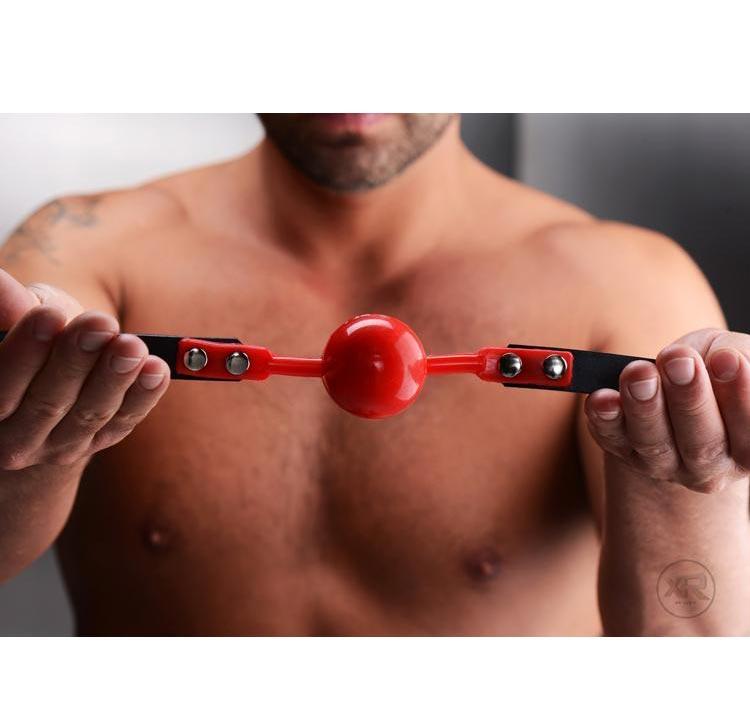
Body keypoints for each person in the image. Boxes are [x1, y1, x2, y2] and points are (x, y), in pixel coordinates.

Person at [1, 113, 749, 635]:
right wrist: (25, 455)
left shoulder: (626, 285)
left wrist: (681, 492)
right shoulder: (88, 251)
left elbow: (693, 667)